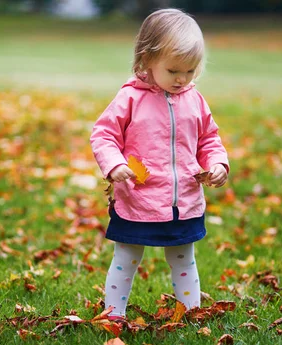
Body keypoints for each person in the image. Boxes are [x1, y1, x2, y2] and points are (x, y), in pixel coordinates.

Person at [90, 8, 230, 320]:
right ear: (146, 60)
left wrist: (218, 162)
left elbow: (209, 138)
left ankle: (191, 312)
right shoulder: (130, 98)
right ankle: (114, 314)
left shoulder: (195, 100)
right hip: (138, 199)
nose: (182, 79)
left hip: (184, 201)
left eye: (190, 71)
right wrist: (113, 165)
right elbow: (104, 135)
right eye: (173, 71)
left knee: (183, 258)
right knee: (126, 256)